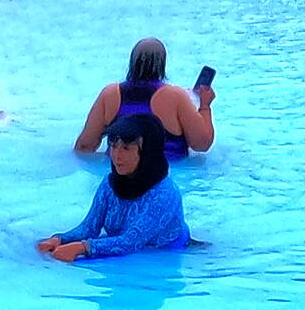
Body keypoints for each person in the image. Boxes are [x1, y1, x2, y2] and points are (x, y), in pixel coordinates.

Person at [41, 114, 190, 262]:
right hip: (129, 251)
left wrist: (82, 248)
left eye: (126, 148)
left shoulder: (165, 194)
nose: (117, 156)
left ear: (146, 153)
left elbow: (131, 242)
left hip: (166, 255)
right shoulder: (109, 184)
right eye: (113, 146)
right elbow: (89, 228)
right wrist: (59, 239)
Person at [74, 38, 215, 161]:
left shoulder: (110, 94)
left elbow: (84, 146)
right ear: (162, 65)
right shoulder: (176, 96)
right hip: (167, 177)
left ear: (132, 62)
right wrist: (205, 106)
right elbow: (202, 144)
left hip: (122, 180)